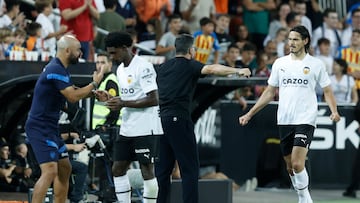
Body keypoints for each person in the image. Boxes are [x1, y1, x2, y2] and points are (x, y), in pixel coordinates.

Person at [239, 25, 341, 203]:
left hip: (306, 119)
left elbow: (327, 91)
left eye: (295, 39)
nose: (291, 43)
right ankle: (301, 192)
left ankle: (304, 197)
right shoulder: (280, 63)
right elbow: (270, 92)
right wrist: (250, 113)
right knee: (290, 167)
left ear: (305, 41)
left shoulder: (316, 64)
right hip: (284, 119)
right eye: (290, 39)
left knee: (297, 163)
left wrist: (334, 111)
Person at [155, 33, 251, 203]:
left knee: (163, 171)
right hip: (179, 120)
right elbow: (213, 69)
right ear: (191, 50)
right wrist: (238, 70)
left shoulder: (163, 68)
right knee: (190, 169)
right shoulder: (189, 65)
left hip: (161, 121)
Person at [24, 35, 105, 203]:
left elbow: (71, 90)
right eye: (78, 50)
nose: (81, 53)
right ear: (67, 50)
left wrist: (94, 94)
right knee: (50, 171)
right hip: (40, 127)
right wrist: (94, 84)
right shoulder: (56, 69)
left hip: (50, 128)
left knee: (65, 168)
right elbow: (73, 97)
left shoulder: (59, 68)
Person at [96, 31, 163, 203]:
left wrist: (123, 103)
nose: (112, 56)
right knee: (117, 169)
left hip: (146, 127)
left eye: (113, 52)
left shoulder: (144, 66)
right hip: (127, 128)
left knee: (147, 170)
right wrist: (109, 98)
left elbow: (153, 99)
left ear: (125, 48)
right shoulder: (120, 70)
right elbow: (127, 98)